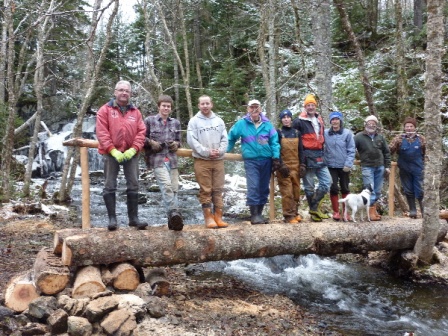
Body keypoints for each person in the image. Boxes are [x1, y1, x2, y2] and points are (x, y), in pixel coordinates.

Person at [96, 80, 147, 230]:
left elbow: (141, 132)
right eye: (121, 90)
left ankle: (133, 219)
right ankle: (112, 219)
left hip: (131, 153)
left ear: (130, 94)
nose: (124, 93)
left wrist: (134, 148)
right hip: (111, 153)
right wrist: (112, 150)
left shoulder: (135, 112)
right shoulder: (104, 110)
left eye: (127, 91)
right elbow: (101, 132)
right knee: (109, 185)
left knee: (133, 184)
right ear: (115, 92)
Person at [227, 99, 281, 224]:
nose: (254, 110)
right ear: (248, 109)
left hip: (266, 160)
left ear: (260, 109)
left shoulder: (267, 125)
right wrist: (224, 152)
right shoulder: (242, 124)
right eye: (252, 107)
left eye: (256, 107)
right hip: (251, 160)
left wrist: (276, 157)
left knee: (263, 188)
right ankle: (254, 215)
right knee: (254, 186)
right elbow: (231, 138)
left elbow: (274, 142)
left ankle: (260, 215)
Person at [187, 95, 229, 229]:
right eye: (202, 104)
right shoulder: (194, 121)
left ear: (211, 104)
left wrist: (220, 151)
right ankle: (208, 217)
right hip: (202, 160)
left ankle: (218, 216)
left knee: (218, 189)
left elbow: (225, 138)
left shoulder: (219, 121)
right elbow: (192, 140)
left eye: (207, 103)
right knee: (205, 190)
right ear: (199, 106)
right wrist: (206, 152)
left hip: (218, 160)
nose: (205, 106)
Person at [143, 95, 183, 231]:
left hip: (172, 160)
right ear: (159, 106)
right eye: (163, 105)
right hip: (157, 160)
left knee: (174, 190)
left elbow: (179, 141)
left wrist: (176, 144)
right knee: (166, 187)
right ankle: (175, 213)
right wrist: (150, 142)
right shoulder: (149, 120)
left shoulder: (175, 123)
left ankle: (173, 222)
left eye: (168, 106)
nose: (166, 108)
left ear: (171, 108)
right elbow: (141, 137)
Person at [292, 94, 331, 222]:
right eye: (308, 105)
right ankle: (314, 213)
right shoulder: (298, 121)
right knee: (309, 186)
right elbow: (294, 140)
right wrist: (299, 159)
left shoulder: (319, 119)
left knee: (326, 182)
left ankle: (313, 207)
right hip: (306, 155)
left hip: (320, 154)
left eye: (312, 105)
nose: (310, 107)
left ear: (315, 106)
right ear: (305, 107)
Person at [354, 115, 391, 221]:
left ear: (376, 126)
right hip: (367, 167)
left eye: (373, 124)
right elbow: (351, 149)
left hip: (380, 167)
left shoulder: (380, 137)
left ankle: (372, 211)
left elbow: (386, 152)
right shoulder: (358, 137)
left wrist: (387, 166)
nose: (371, 125)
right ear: (365, 125)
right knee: (370, 191)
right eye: (369, 124)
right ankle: (369, 213)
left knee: (378, 191)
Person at [389, 117, 425, 218]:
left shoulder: (421, 139)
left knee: (420, 189)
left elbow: (428, 154)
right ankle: (413, 210)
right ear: (404, 128)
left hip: (418, 169)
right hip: (404, 169)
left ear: (415, 127)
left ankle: (423, 211)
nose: (409, 128)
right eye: (407, 126)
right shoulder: (398, 139)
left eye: (411, 126)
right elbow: (389, 150)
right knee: (408, 190)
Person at [324, 111, 356, 221]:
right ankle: (336, 212)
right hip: (330, 165)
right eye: (333, 119)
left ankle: (346, 213)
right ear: (330, 121)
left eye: (337, 119)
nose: (335, 121)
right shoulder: (326, 133)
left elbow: (351, 150)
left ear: (340, 120)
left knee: (345, 188)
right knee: (333, 188)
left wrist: (348, 163)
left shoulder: (347, 133)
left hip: (344, 166)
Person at [276, 109, 303, 224]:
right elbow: (276, 150)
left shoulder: (297, 133)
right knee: (287, 192)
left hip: (296, 166)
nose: (286, 119)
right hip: (284, 167)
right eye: (284, 117)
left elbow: (301, 150)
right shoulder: (278, 133)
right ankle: (288, 215)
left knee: (296, 191)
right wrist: (280, 164)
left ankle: (295, 212)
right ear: (281, 120)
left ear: (291, 119)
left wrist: (302, 164)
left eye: (288, 117)